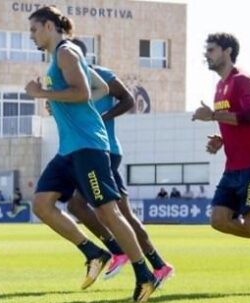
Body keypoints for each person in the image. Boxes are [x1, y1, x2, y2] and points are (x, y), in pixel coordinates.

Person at [26, 6, 157, 302]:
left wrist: (42, 94)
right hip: (69, 149)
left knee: (109, 213)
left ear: (48, 26)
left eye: (34, 30)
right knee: (42, 204)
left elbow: (82, 92)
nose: (31, 36)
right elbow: (85, 93)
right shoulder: (60, 57)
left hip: (88, 146)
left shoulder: (66, 52)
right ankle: (93, 251)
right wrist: (55, 102)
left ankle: (145, 275)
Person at [63, 38, 174, 284]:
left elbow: (128, 100)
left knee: (84, 207)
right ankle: (157, 264)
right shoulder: (70, 83)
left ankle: (119, 251)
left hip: (105, 151)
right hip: (90, 151)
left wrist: (103, 116)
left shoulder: (101, 75)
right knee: (115, 212)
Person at [192, 32, 250, 293]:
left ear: (227, 51)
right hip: (233, 167)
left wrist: (212, 116)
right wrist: (221, 138)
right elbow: (235, 122)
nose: (206, 54)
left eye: (211, 50)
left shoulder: (243, 80)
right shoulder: (219, 86)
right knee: (219, 220)